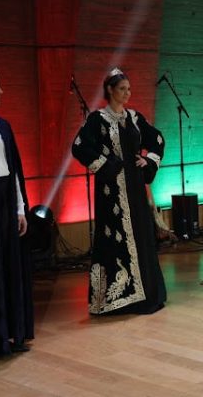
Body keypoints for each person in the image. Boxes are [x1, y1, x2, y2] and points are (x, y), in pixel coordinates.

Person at [72, 68, 166, 314]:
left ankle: (145, 294)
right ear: (110, 90)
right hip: (111, 193)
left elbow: (157, 139)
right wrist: (107, 166)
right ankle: (119, 299)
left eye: (129, 89)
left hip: (134, 189)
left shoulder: (134, 117)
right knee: (116, 239)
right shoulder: (97, 120)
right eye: (122, 89)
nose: (127, 93)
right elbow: (79, 147)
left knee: (140, 236)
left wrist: (149, 160)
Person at [0, 62, 33, 367]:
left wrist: (19, 208)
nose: (0, 90)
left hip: (4, 202)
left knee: (7, 268)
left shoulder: (3, 126)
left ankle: (10, 335)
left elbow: (14, 173)